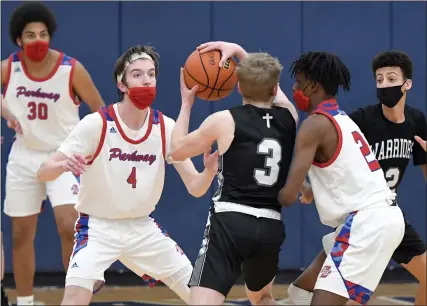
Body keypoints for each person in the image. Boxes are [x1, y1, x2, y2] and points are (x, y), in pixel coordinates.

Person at [37, 44, 218, 305]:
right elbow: (43, 172)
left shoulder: (165, 127)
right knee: (74, 298)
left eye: (151, 73)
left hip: (142, 228)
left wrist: (209, 171)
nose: (146, 79)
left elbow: (195, 187)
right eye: (137, 74)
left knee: (201, 295)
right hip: (97, 228)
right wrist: (62, 166)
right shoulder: (97, 124)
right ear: (121, 83)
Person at [286, 51, 427, 305]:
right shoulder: (358, 119)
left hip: (376, 216)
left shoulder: (416, 121)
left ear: (407, 84)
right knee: (302, 293)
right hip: (362, 217)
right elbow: (331, 159)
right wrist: (309, 188)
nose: (384, 84)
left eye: (391, 78)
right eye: (379, 79)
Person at [169, 41, 298, 305]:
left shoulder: (224, 120)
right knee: (262, 298)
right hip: (270, 225)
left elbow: (177, 151)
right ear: (274, 88)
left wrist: (186, 103)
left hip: (230, 221)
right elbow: (269, 84)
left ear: (238, 86)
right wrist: (240, 52)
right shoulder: (289, 117)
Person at [1, 3, 105, 305]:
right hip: (23, 157)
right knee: (21, 234)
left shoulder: (70, 68)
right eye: (30, 34)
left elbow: (99, 109)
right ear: (19, 40)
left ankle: (76, 297)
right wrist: (5, 111)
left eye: (43, 34)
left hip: (64, 155)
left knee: (68, 223)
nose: (37, 40)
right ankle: (25, 301)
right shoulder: (10, 68)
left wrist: (97, 150)